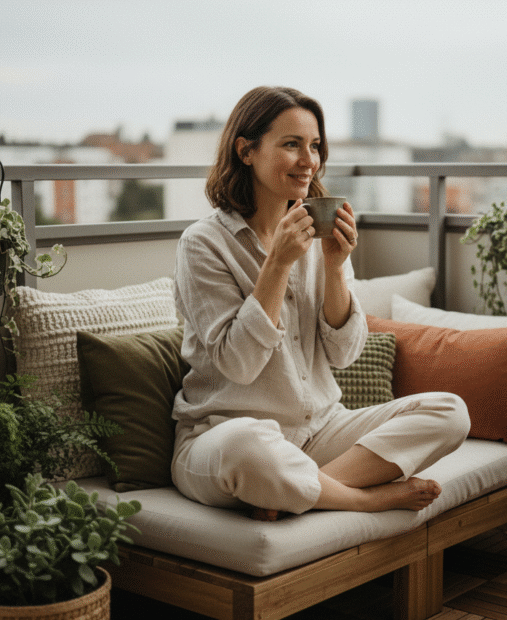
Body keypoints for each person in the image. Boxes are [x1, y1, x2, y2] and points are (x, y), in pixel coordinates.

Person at [170, 86, 470, 520]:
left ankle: (296, 489)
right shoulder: (202, 244)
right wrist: (276, 264)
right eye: (291, 145)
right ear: (246, 151)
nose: (309, 160)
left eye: (314, 146)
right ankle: (360, 498)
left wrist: (333, 268)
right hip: (224, 433)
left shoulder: (319, 234)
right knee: (249, 450)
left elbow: (345, 354)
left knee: (450, 412)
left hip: (320, 429)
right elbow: (238, 365)